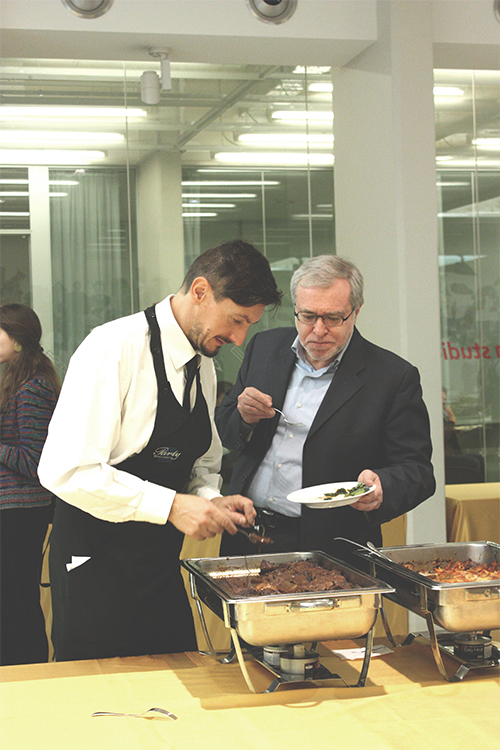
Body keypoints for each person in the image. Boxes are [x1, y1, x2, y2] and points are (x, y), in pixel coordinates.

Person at [38, 239, 282, 661]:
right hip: (95, 569)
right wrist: (171, 506)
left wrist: (211, 499)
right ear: (200, 291)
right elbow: (66, 472)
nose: (239, 337)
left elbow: (200, 464)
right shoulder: (112, 348)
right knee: (102, 694)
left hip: (159, 570)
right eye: (236, 320)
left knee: (181, 678)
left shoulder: (203, 363)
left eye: (249, 325)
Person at [216, 255, 435, 558]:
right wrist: (243, 417)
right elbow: (224, 429)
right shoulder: (264, 348)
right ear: (295, 309)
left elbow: (418, 472)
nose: (318, 330)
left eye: (332, 318)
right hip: (247, 533)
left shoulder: (392, 377)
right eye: (307, 316)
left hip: (332, 545)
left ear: (356, 312)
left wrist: (383, 486)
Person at [0, 303, 60, 665]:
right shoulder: (15, 380)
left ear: (18, 340)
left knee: (17, 599)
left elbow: (36, 461)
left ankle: (28, 674)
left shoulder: (33, 386)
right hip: (13, 509)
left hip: (22, 510)